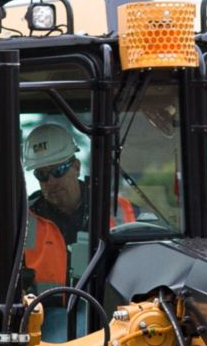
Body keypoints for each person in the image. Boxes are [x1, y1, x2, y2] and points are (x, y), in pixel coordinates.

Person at [21, 121, 129, 287]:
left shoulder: (119, 210)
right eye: (41, 175)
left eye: (58, 171)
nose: (50, 182)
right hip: (44, 310)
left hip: (109, 308)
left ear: (76, 167)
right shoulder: (24, 219)